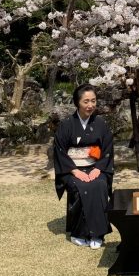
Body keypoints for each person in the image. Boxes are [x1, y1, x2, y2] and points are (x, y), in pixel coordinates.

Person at [52, 83, 114, 249]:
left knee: (99, 184)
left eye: (93, 101)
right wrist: (74, 171)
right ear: (77, 103)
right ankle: (79, 233)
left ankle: (98, 234)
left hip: (96, 166)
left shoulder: (100, 123)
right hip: (72, 169)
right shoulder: (66, 125)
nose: (90, 105)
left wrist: (98, 168)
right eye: (86, 101)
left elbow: (107, 149)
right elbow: (59, 150)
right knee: (81, 186)